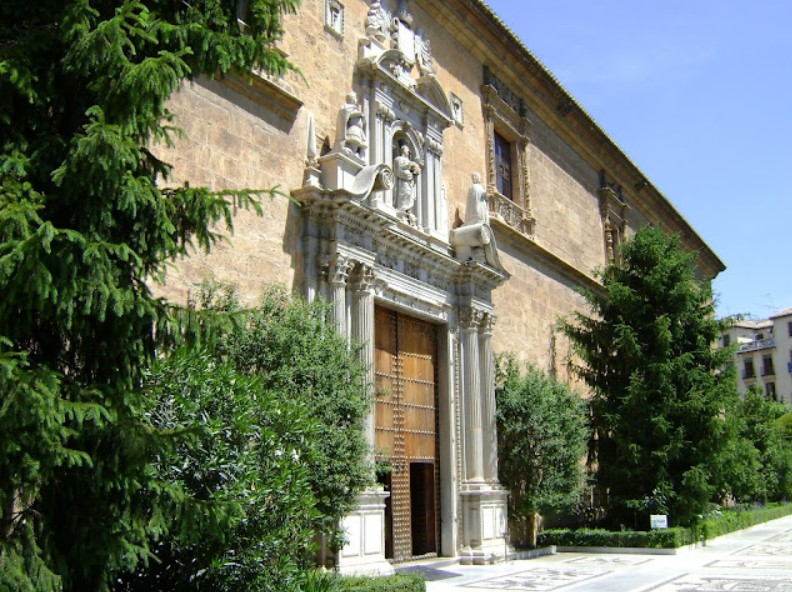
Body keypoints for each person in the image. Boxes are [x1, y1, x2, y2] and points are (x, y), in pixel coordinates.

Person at [394, 144, 420, 220]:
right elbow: (398, 168)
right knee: (405, 193)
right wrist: (409, 165)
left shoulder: (409, 161)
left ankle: (407, 211)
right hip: (402, 180)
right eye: (407, 149)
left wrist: (415, 169)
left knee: (409, 194)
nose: (408, 151)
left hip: (409, 181)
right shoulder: (398, 159)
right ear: (402, 150)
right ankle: (401, 209)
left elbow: (416, 171)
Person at [337, 92, 367, 156]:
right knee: (353, 141)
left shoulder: (355, 108)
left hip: (359, 130)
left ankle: (356, 153)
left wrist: (362, 118)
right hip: (353, 129)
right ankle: (352, 152)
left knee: (359, 143)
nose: (355, 100)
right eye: (354, 98)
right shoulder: (346, 107)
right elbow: (346, 115)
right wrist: (358, 114)